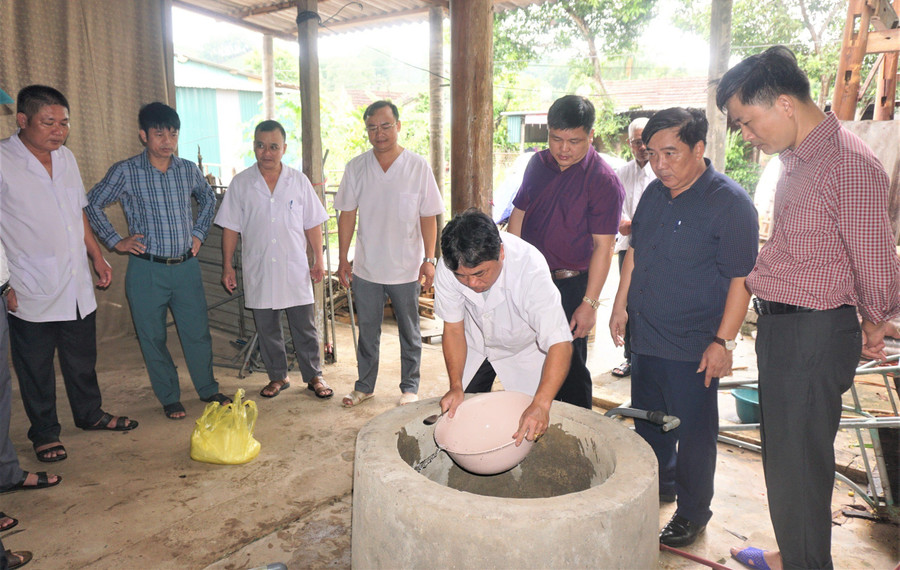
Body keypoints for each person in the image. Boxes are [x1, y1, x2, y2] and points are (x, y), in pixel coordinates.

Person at [716, 46, 900, 570]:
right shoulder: (798, 157)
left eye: (748, 123)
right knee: (788, 460)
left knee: (799, 464)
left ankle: (804, 564)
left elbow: (875, 257)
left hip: (812, 333)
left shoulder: (848, 162)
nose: (747, 136)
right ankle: (793, 553)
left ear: (783, 104)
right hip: (786, 328)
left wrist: (875, 318)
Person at [609, 107, 758, 547]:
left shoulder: (730, 203)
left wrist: (723, 341)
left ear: (699, 148)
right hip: (647, 337)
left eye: (671, 153)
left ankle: (693, 513)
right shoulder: (655, 193)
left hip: (694, 345)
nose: (660, 164)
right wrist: (619, 306)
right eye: (652, 154)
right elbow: (634, 252)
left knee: (694, 434)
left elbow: (742, 280)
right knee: (650, 424)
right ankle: (661, 486)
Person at [0, 85, 138, 461]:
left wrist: (97, 256)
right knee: (36, 366)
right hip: (29, 282)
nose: (58, 131)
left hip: (75, 279)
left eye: (64, 123)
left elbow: (78, 212)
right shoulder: (3, 160)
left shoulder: (66, 159)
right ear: (23, 120)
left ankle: (89, 414)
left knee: (81, 357)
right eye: (49, 122)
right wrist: (5, 283)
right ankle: (44, 433)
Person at [86, 102, 229, 421]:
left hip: (185, 267)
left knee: (197, 332)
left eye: (173, 133)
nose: (167, 140)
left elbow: (208, 199)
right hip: (146, 270)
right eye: (159, 133)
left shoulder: (188, 169)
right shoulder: (126, 171)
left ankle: (207, 389)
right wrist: (115, 241)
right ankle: (169, 396)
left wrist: (198, 233)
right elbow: (91, 204)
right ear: (143, 135)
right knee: (152, 336)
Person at [508, 95, 624, 409]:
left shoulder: (603, 180)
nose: (563, 149)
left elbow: (604, 246)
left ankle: (576, 439)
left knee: (570, 367)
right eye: (556, 139)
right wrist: (511, 272)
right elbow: (518, 215)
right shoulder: (538, 163)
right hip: (530, 278)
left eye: (573, 141)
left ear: (590, 134)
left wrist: (589, 303)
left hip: (570, 286)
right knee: (528, 357)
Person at [334, 100, 444, 408]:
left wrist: (429, 259)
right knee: (368, 332)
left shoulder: (417, 166)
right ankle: (364, 385)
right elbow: (347, 214)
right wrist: (343, 258)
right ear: (366, 130)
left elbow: (428, 215)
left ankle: (410, 387)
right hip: (367, 267)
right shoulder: (357, 167)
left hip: (406, 268)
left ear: (397, 126)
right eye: (372, 127)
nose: (379, 133)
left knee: (410, 333)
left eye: (385, 126)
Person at [214, 120, 332, 400]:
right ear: (254, 146)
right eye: (260, 145)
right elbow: (231, 227)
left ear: (284, 149)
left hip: (294, 267)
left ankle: (314, 375)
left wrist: (317, 259)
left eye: (273, 147)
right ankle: (278, 376)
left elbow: (312, 222)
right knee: (267, 327)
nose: (266, 152)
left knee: (304, 325)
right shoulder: (242, 183)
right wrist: (227, 265)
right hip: (260, 266)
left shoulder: (298, 181)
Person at [436, 210, 573, 445]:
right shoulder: (449, 267)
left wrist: (541, 403)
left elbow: (560, 342)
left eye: (480, 273)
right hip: (477, 343)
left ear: (500, 252)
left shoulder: (529, 269)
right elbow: (454, 329)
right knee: (461, 413)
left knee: (533, 424)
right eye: (463, 277)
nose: (472, 284)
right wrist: (455, 385)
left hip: (525, 349)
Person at [611, 117, 655, 379]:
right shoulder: (620, 174)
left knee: (651, 301)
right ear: (629, 144)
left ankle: (648, 356)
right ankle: (630, 357)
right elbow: (613, 210)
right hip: (628, 246)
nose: (643, 147)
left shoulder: (662, 171)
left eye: (646, 141)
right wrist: (621, 222)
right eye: (637, 142)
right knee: (627, 301)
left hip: (656, 249)